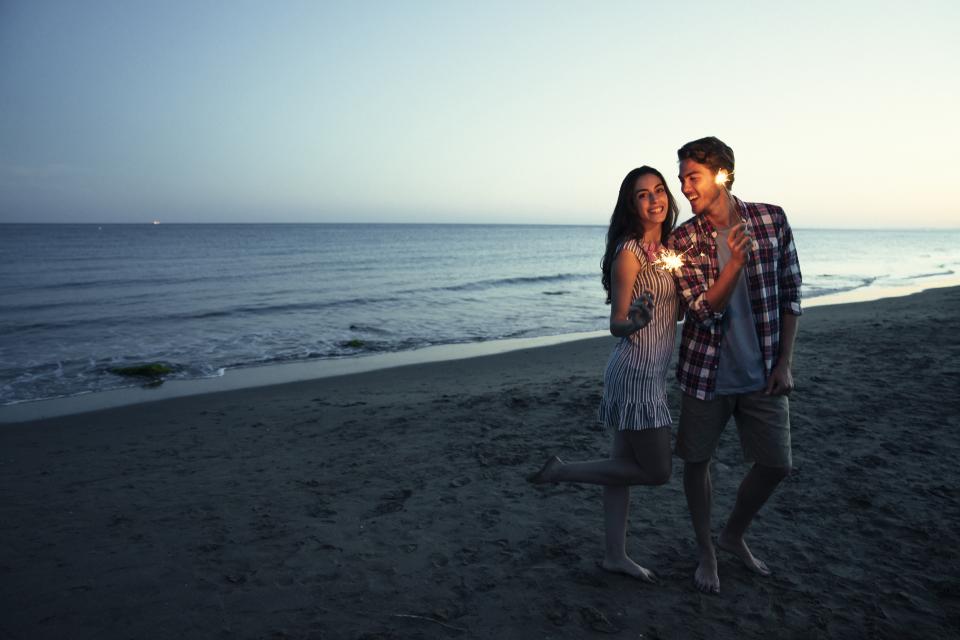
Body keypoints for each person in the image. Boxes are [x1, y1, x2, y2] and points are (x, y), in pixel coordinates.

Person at [528, 166, 679, 583]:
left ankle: (615, 555)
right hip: (635, 372)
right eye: (643, 194)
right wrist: (635, 321)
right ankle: (562, 471)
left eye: (659, 190)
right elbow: (616, 323)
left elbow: (676, 308)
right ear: (632, 205)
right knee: (658, 472)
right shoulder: (629, 253)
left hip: (651, 370)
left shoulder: (669, 250)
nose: (654, 199)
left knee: (620, 468)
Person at [667, 136, 802, 594]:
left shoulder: (771, 219)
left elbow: (791, 292)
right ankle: (706, 549)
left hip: (763, 372)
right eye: (682, 178)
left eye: (693, 177)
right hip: (705, 373)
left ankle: (732, 535)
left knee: (776, 465)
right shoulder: (682, 240)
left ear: (722, 174)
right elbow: (701, 312)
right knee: (696, 462)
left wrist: (784, 363)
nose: (684, 187)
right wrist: (734, 266)